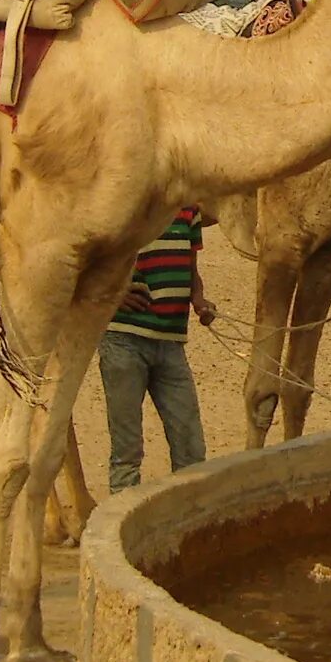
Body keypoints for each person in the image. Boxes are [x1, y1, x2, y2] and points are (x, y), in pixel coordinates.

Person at [100, 205, 214, 490]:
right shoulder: (125, 202)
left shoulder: (189, 209)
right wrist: (113, 289)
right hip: (124, 339)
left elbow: (191, 268)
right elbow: (90, 257)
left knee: (191, 448)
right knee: (127, 451)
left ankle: (189, 524)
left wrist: (199, 300)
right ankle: (121, 529)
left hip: (172, 342)